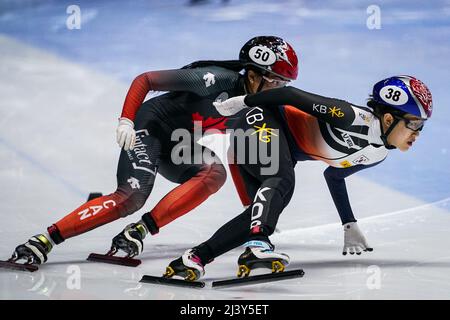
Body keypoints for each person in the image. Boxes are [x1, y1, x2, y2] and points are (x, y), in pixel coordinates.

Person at [6, 36, 299, 266]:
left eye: (283, 83)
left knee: (214, 174)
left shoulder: (254, 106)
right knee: (131, 197)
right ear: (253, 73)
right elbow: (146, 79)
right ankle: (44, 239)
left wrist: (252, 213)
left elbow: (238, 153)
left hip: (180, 142)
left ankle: (139, 231)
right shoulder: (214, 78)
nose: (278, 87)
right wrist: (125, 120)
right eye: (275, 80)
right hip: (151, 127)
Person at [163, 75, 433, 280]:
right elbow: (290, 94)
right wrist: (242, 101)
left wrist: (348, 223)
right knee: (282, 182)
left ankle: (194, 257)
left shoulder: (378, 155)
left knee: (262, 211)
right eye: (414, 123)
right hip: (258, 118)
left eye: (422, 126)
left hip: (279, 146)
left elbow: (334, 177)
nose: (418, 133)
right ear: (388, 119)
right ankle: (257, 244)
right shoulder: (351, 117)